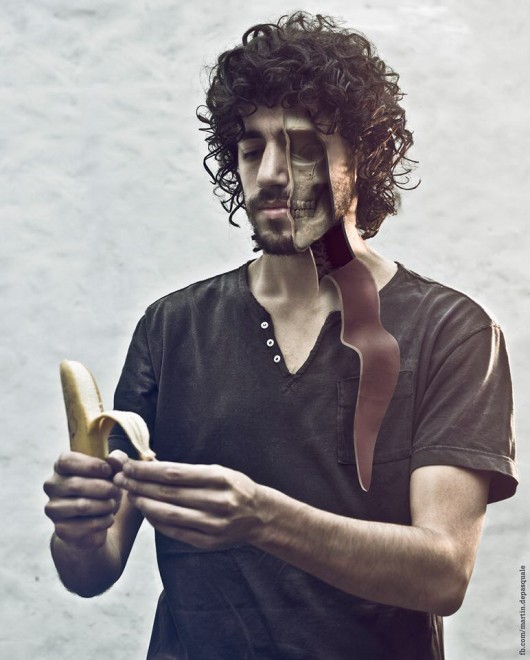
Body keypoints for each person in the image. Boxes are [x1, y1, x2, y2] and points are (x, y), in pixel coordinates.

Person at [43, 12, 517, 659]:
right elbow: (93, 569)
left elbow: (443, 573)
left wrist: (263, 518)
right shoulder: (171, 328)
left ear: (362, 159)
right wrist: (77, 530)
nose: (270, 172)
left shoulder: (451, 332)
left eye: (299, 147)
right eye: (251, 149)